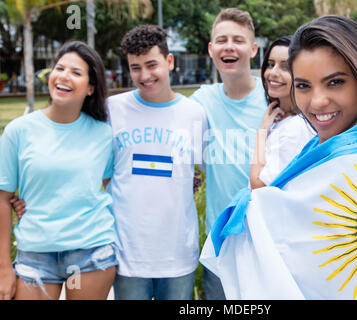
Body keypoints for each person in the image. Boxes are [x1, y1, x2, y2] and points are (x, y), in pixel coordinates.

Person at [200, 15, 357, 300]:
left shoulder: (354, 162)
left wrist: (248, 208)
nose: (317, 101)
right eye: (304, 86)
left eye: (335, 82)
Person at [0, 41, 117, 300]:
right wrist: (3, 268)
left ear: (90, 87)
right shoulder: (18, 131)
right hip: (35, 253)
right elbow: (2, 198)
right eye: (59, 68)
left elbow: (113, 185)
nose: (64, 76)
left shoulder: (104, 134)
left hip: (92, 251)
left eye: (76, 72)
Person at [106, 25, 207, 300]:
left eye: (152, 65)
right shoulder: (113, 109)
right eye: (135, 67)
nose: (145, 75)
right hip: (128, 254)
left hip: (177, 255)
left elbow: (210, 169)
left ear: (170, 61)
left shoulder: (194, 114)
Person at [190, 8, 267, 299]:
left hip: (264, 238)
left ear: (253, 48)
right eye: (221, 40)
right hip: (221, 240)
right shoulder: (200, 101)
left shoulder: (272, 98)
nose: (229, 46)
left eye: (238, 39)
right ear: (211, 49)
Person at [250, 35, 315, 189]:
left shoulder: (297, 127)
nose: (273, 73)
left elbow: (258, 186)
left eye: (285, 67)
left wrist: (261, 133)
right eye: (270, 64)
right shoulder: (279, 117)